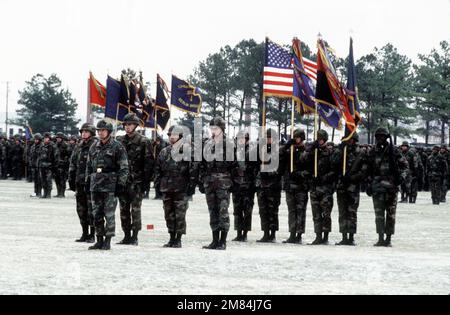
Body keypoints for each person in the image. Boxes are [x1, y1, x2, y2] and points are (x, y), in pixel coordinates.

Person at [86, 120, 129, 251]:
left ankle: (108, 240)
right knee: (96, 214)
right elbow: (89, 165)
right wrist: (88, 181)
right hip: (95, 185)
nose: (100, 132)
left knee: (109, 214)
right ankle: (99, 239)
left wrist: (120, 184)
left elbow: (124, 167)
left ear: (109, 132)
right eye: (99, 130)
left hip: (110, 186)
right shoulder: (94, 146)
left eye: (103, 130)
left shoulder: (117, 146)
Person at [155, 125, 198, 248]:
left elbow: (193, 169)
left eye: (174, 135)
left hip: (181, 187)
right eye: (169, 135)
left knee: (180, 214)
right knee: (168, 213)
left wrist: (192, 185)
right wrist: (158, 184)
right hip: (167, 187)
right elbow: (158, 169)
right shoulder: (164, 151)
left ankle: (178, 239)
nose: (171, 137)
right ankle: (171, 237)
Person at [366, 128, 409, 247]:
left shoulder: (394, 150)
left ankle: (388, 238)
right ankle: (380, 237)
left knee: (390, 214)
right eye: (378, 136)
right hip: (377, 187)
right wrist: (368, 183)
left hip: (391, 187)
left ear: (386, 137)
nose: (380, 138)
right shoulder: (372, 151)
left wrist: (401, 178)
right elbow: (368, 169)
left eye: (382, 136)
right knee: (379, 215)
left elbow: (405, 166)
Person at [199, 117, 237, 250]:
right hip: (209, 181)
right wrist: (202, 180)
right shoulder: (208, 144)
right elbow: (203, 164)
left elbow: (235, 165)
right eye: (212, 128)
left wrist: (235, 183)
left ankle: (223, 241)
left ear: (222, 129)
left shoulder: (229, 144)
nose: (213, 131)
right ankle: (215, 240)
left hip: (223, 181)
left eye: (216, 128)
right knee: (212, 211)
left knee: (223, 210)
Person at [116, 113, 153, 246]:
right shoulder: (119, 141)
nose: (127, 127)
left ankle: (135, 236)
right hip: (122, 181)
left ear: (136, 125)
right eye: (125, 124)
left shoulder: (144, 141)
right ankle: (126, 235)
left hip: (137, 182)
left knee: (135, 210)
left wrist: (146, 183)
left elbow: (148, 164)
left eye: (130, 124)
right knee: (123, 209)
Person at [331, 132, 368, 246]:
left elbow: (364, 170)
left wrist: (353, 177)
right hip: (341, 186)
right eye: (347, 139)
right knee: (342, 212)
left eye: (350, 139)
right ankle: (344, 236)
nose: (348, 141)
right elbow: (333, 162)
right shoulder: (341, 151)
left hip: (352, 186)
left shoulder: (360, 153)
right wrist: (339, 149)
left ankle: (351, 237)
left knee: (351, 212)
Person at [303, 130, 336, 245]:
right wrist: (312, 149)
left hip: (326, 187)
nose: (320, 140)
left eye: (322, 138)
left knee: (326, 213)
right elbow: (304, 160)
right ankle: (318, 236)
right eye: (318, 138)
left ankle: (325, 236)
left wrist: (325, 177)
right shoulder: (313, 151)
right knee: (316, 214)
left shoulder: (331, 152)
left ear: (325, 139)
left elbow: (335, 169)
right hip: (314, 186)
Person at [69, 123, 98, 243]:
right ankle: (84, 233)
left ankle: (92, 234)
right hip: (79, 182)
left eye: (86, 131)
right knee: (81, 209)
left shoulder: (96, 145)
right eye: (82, 132)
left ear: (91, 133)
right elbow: (73, 162)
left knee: (91, 209)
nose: (84, 134)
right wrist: (71, 178)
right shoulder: (79, 146)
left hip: (91, 183)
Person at [280, 129, 309, 244]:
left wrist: (299, 174)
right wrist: (287, 146)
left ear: (302, 138)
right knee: (291, 210)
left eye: (298, 137)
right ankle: (292, 233)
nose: (296, 139)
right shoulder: (290, 150)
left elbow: (309, 168)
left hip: (301, 185)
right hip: (290, 185)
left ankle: (299, 234)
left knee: (300, 210)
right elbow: (279, 155)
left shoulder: (306, 150)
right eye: (295, 137)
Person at [255, 129, 283, 243]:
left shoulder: (278, 151)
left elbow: (280, 168)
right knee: (263, 210)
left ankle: (272, 233)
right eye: (266, 137)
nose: (268, 139)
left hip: (273, 185)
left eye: (270, 137)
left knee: (272, 210)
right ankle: (265, 232)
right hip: (262, 185)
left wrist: (269, 172)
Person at [231, 130, 258, 242]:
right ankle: (238, 232)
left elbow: (255, 167)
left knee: (247, 210)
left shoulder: (251, 152)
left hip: (248, 186)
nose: (241, 141)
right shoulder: (234, 151)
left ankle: (245, 233)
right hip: (236, 185)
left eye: (243, 139)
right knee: (237, 210)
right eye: (239, 139)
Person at [38, 133, 57, 199]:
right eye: (44, 138)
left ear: (49, 138)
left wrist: (54, 165)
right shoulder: (42, 145)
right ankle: (44, 193)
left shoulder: (52, 146)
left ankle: (48, 194)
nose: (45, 139)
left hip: (49, 166)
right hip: (42, 165)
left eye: (47, 138)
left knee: (48, 180)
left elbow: (56, 157)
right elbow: (39, 155)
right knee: (43, 180)